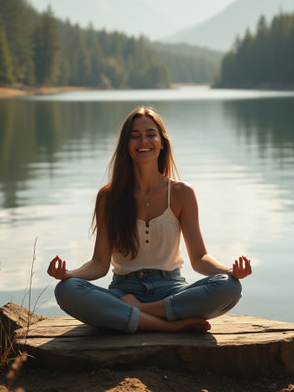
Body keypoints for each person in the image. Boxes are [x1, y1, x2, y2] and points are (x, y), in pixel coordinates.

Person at [47, 106, 252, 334]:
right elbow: (99, 264)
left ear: (162, 142)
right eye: (135, 136)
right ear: (126, 145)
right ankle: (170, 326)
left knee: (228, 286)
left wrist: (229, 270)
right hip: (123, 292)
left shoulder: (181, 193)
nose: (143, 141)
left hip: (171, 290)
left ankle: (138, 314)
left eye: (150, 134)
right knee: (67, 290)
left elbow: (199, 258)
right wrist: (69, 274)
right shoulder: (108, 197)